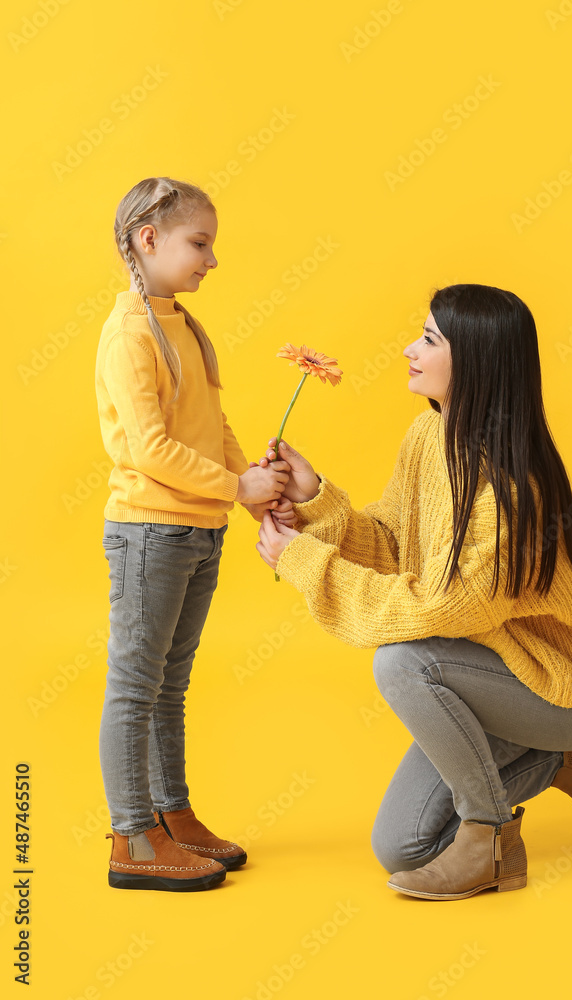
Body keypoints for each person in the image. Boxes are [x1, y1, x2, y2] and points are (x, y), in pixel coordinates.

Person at [255, 283, 572, 900]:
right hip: (502, 674)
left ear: (477, 359)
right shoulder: (431, 437)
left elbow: (443, 608)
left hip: (567, 686)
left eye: (429, 339)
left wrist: (303, 561)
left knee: (405, 661)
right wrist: (315, 498)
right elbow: (397, 541)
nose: (409, 348)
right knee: (402, 847)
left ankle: (492, 839)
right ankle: (571, 763)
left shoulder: (514, 488)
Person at [95, 177, 293, 892]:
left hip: (195, 532)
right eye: (199, 244)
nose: (212, 259)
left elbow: (213, 430)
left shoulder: (183, 325)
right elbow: (147, 449)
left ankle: (170, 815)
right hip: (150, 533)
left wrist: (251, 494)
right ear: (149, 241)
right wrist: (232, 485)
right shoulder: (127, 334)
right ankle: (132, 839)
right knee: (134, 687)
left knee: (168, 687)